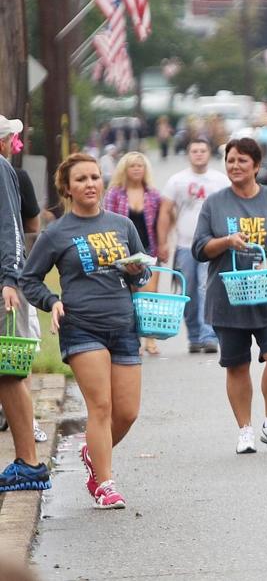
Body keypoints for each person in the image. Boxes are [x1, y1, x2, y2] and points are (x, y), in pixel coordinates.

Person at [21, 153, 150, 508]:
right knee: (101, 406)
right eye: (81, 179)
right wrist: (51, 301)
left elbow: (144, 271)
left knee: (127, 412)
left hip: (123, 323)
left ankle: (93, 454)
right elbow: (29, 279)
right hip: (82, 326)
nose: (90, 184)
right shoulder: (57, 233)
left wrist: (135, 271)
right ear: (67, 188)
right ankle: (105, 484)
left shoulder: (123, 225)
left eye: (95, 177)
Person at [192, 137, 267, 455]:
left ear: (256, 166)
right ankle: (245, 429)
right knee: (236, 364)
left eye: (242, 160)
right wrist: (226, 241)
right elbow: (199, 247)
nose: (235, 166)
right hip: (228, 296)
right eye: (230, 160)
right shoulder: (215, 203)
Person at [0, 145, 50, 495]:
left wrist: (9, 279)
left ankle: (30, 463)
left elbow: (12, 229)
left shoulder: (1, 168)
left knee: (9, 370)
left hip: (2, 285)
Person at [161, 138, 229, 354]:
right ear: (188, 154)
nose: (199, 154)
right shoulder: (176, 181)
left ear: (209, 153)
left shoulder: (220, 180)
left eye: (202, 150)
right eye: (194, 150)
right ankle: (194, 335)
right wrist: (163, 241)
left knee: (207, 289)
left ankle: (209, 334)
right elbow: (165, 211)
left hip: (212, 244)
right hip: (185, 245)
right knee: (189, 291)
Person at [104, 152, 167, 356]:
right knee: (130, 296)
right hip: (125, 252)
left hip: (149, 250)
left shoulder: (154, 195)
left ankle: (150, 339)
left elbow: (162, 222)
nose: (137, 169)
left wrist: (163, 245)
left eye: (140, 165)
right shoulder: (115, 194)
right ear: (125, 169)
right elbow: (106, 221)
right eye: (132, 166)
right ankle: (135, 338)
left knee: (150, 296)